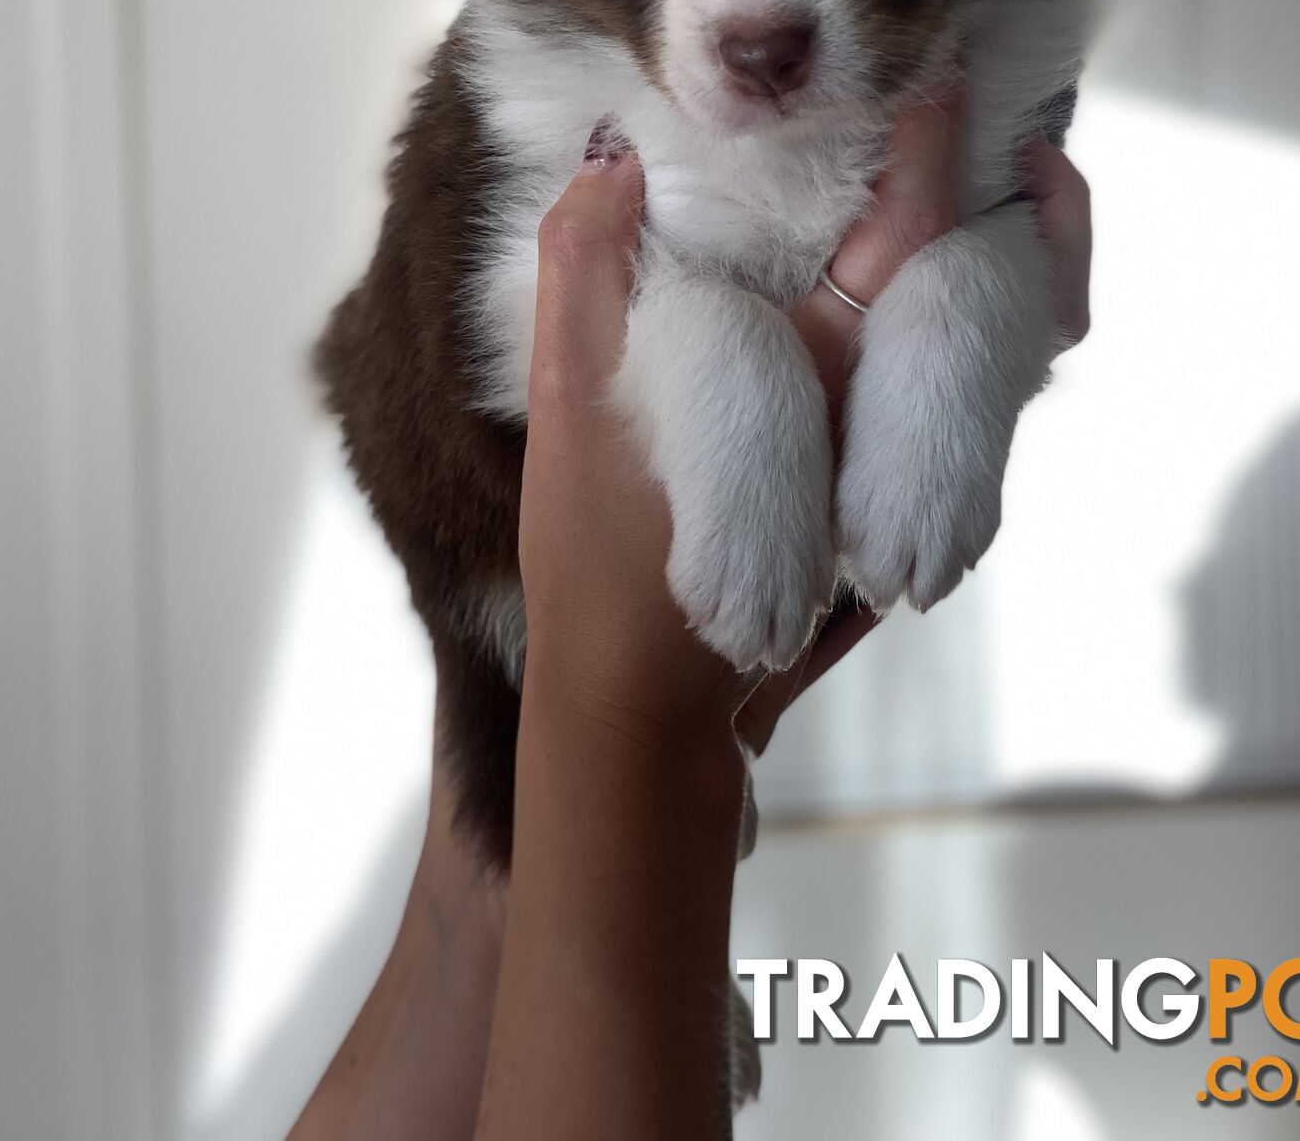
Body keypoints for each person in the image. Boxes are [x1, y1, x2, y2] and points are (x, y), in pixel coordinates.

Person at [293, 89, 1092, 1140]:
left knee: (486, 887)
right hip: (492, 552)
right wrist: (634, 745)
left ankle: (514, 863)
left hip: (556, 670)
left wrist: (982, 297)